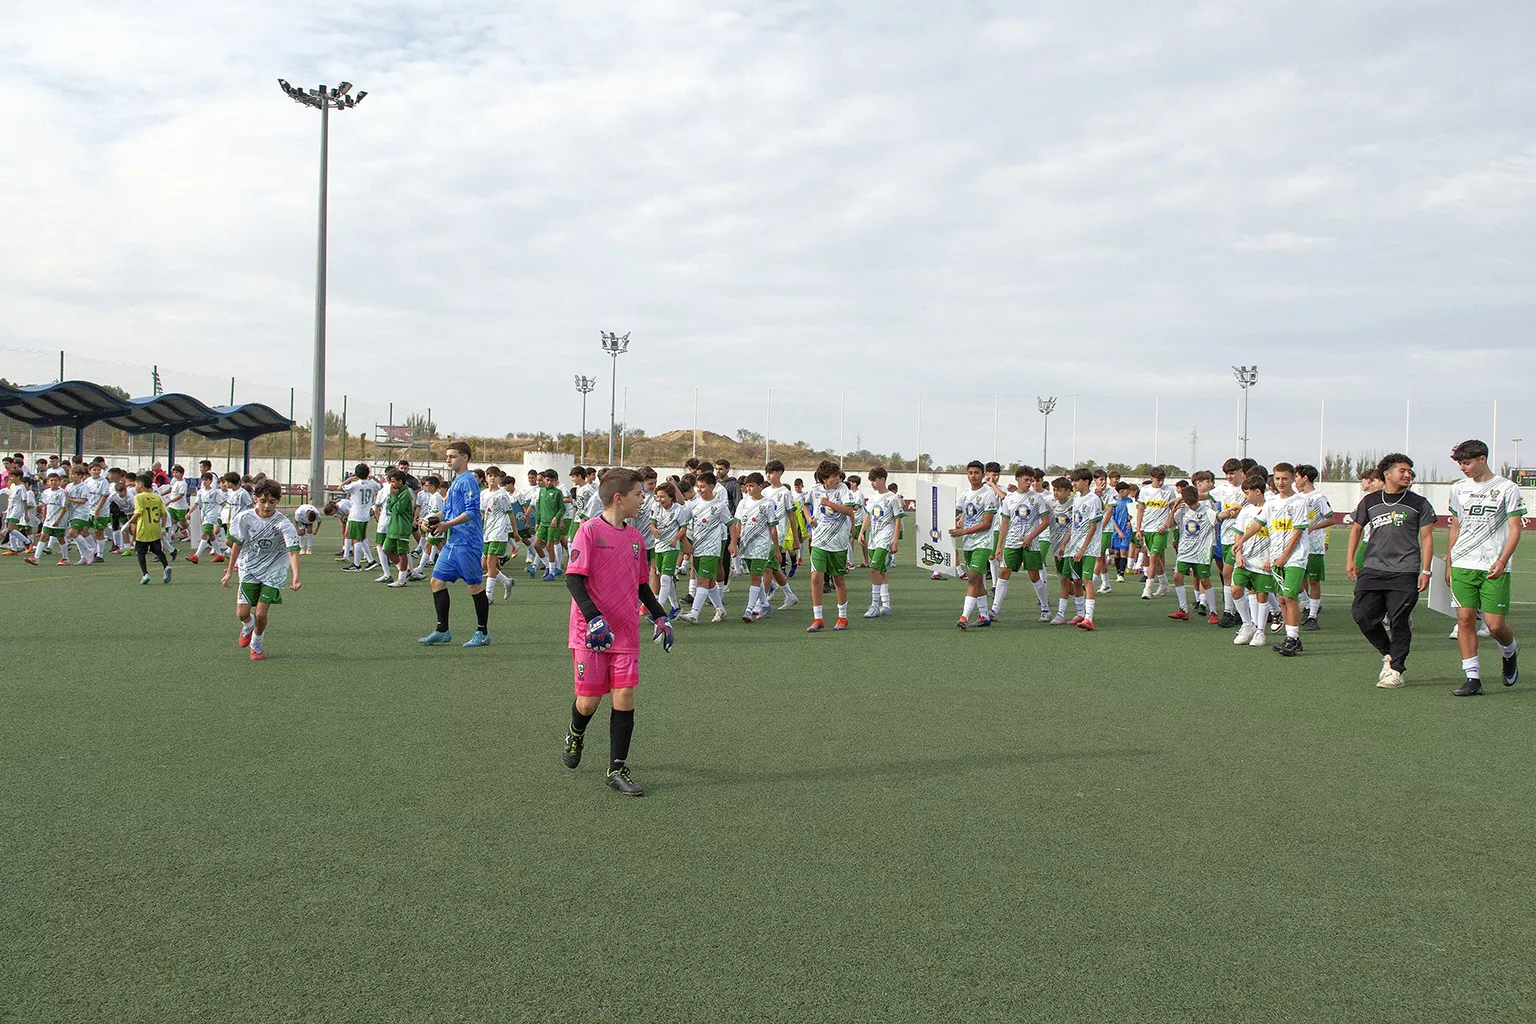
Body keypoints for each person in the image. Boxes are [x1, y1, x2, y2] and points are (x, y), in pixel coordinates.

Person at [561, 467, 675, 797]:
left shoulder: (637, 539)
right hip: (591, 630)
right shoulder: (588, 531)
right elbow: (573, 578)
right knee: (588, 701)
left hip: (624, 630)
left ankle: (617, 767)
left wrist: (660, 616)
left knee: (623, 695)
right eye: (639, 494)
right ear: (618, 498)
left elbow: (642, 585)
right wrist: (594, 618)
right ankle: (575, 732)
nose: (644, 499)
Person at [1346, 454, 1436, 689]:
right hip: (1372, 569)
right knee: (1362, 615)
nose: (1408, 475)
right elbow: (1356, 529)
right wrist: (1350, 560)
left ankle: (1396, 669)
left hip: (1405, 571)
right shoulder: (1370, 501)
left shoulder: (1419, 503)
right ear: (1387, 474)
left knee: (1399, 620)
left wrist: (1425, 570)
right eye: (1403, 471)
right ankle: (1389, 653)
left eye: (1410, 472)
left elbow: (1427, 538)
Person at [1444, 439, 1523, 695]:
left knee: (1494, 625)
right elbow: (1455, 525)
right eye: (1460, 464)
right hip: (1463, 563)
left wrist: (1502, 560)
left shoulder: (1506, 488)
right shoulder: (1458, 489)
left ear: (1482, 459)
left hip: (1493, 565)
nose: (1463, 468)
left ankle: (1509, 652)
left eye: (1466, 462)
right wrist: (1449, 560)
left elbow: (1514, 529)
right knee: (1465, 619)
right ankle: (1473, 678)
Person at [419, 441, 492, 648]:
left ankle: (483, 632)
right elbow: (447, 511)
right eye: (447, 456)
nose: (448, 460)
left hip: (468, 542)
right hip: (454, 542)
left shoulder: (469, 480)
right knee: (436, 582)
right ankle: (443, 630)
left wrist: (446, 525)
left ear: (465, 458)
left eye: (452, 456)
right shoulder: (455, 483)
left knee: (474, 587)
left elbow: (471, 512)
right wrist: (432, 519)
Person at [221, 479, 301, 660]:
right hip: (249, 567)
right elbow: (237, 544)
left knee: (261, 613)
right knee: (242, 613)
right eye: (263, 501)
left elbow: (293, 551)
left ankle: (256, 644)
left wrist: (296, 576)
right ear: (255, 499)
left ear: (277, 502)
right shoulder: (244, 518)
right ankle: (248, 626)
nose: (266, 506)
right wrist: (229, 571)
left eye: (271, 502)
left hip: (274, 571)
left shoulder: (283, 523)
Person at [805, 460, 858, 632]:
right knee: (816, 579)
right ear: (824, 479)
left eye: (838, 475)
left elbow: (849, 511)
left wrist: (829, 504)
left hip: (838, 542)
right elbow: (805, 505)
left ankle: (842, 616)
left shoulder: (843, 489)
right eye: (834, 476)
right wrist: (808, 518)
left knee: (838, 580)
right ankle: (817, 618)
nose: (838, 478)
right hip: (819, 540)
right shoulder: (814, 490)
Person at [677, 470, 736, 624]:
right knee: (709, 583)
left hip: (712, 549)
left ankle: (694, 614)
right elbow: (682, 522)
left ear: (712, 486)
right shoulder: (694, 504)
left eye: (703, 487)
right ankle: (721, 610)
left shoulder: (720, 506)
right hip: (697, 548)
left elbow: (731, 525)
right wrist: (685, 542)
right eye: (698, 487)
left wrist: (733, 543)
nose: (700, 490)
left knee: (703, 581)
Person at [949, 460, 999, 629]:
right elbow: (951, 515)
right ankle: (984, 615)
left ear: (983, 475)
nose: (973, 476)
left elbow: (987, 524)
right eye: (970, 473)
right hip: (968, 544)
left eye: (976, 473)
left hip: (983, 543)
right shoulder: (963, 495)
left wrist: (962, 531)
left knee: (972, 579)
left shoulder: (988, 494)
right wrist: (927, 525)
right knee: (978, 581)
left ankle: (964, 616)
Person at [1229, 476, 1275, 647]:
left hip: (1264, 560)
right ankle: (1247, 624)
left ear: (1257, 491)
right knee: (1236, 590)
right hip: (1245, 559)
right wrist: (1239, 554)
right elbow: (1239, 534)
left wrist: (1272, 558)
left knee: (1262, 595)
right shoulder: (1246, 511)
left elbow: (1277, 536)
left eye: (1247, 493)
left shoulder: (1272, 509)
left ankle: (1260, 631)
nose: (1245, 497)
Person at [733, 472, 781, 621]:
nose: (748, 489)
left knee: (755, 578)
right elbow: (738, 523)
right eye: (747, 486)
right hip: (746, 545)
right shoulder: (743, 503)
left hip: (761, 545)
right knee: (754, 578)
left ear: (760, 486)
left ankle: (748, 610)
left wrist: (777, 548)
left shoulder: (768, 504)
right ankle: (765, 604)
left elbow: (773, 528)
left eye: (752, 486)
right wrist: (734, 542)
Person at [1168, 483, 1217, 622]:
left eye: (1194, 503)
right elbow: (1170, 525)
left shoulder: (1207, 510)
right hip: (1185, 550)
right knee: (1177, 577)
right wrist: (1173, 511)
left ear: (1198, 498)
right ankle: (1183, 610)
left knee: (1205, 580)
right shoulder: (1182, 510)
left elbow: (1217, 520)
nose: (1192, 506)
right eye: (1189, 504)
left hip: (1202, 551)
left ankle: (1213, 612)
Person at [1064, 467, 1104, 630]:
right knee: (1075, 580)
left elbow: (1093, 527)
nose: (1073, 483)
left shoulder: (1093, 499)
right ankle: (1081, 613)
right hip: (1074, 546)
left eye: (1076, 480)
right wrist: (1065, 544)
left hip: (1088, 548)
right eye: (1073, 480)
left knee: (1087, 580)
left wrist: (1082, 549)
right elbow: (1074, 524)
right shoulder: (1077, 499)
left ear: (1086, 481)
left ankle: (1089, 617)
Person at [1294, 464, 1332, 631]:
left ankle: (1312, 616)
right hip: (1299, 545)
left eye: (1296, 477)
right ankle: (1308, 603)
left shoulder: (1318, 497)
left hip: (1315, 545)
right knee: (1300, 579)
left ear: (1305, 478)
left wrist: (1313, 527)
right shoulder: (1297, 497)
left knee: (1314, 580)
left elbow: (1331, 519)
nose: (1295, 480)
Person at [861, 466, 902, 617]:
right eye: (871, 481)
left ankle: (874, 605)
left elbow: (897, 519)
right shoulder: (872, 497)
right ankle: (886, 605)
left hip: (885, 537)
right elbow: (868, 515)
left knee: (874, 569)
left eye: (874, 480)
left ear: (882, 480)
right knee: (881, 572)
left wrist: (895, 540)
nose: (872, 483)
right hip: (873, 537)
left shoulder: (892, 498)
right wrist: (862, 532)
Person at [1135, 467, 1176, 598]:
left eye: (1162, 479)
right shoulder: (1145, 491)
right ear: (1151, 478)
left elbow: (1173, 510)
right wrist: (1138, 529)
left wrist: (1166, 525)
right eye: (1158, 480)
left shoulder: (1169, 491)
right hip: (1147, 529)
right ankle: (1164, 584)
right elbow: (1140, 510)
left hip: (1160, 530)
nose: (1160, 482)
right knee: (1156, 558)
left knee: (1153, 557)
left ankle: (1147, 588)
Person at [126, 472, 173, 585]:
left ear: (141, 485)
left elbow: (138, 512)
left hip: (143, 528)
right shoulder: (156, 497)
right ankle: (166, 566)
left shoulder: (139, 497)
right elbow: (164, 514)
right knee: (157, 550)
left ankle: (145, 574)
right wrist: (162, 527)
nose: (135, 487)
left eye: (136, 484)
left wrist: (128, 523)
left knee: (141, 552)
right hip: (155, 528)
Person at [340, 464, 381, 572]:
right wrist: (373, 478)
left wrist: (349, 479)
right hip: (366, 514)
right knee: (362, 538)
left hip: (356, 515)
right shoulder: (372, 484)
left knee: (356, 539)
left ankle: (356, 564)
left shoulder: (355, 484)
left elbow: (340, 488)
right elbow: (380, 486)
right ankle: (371, 560)